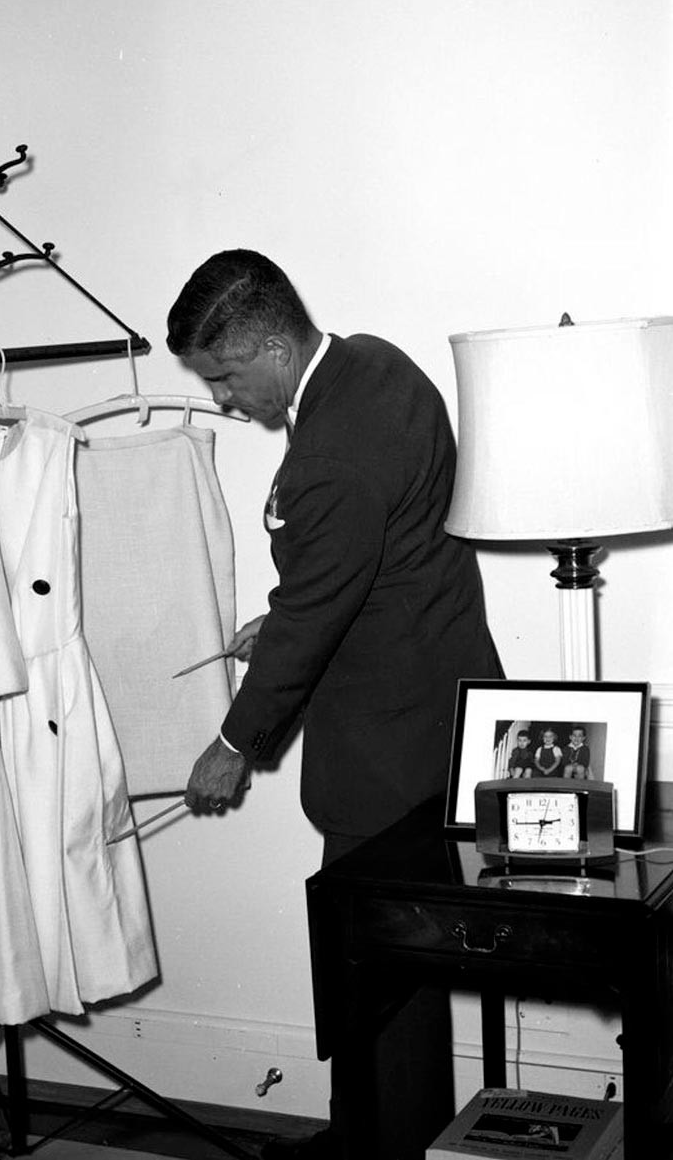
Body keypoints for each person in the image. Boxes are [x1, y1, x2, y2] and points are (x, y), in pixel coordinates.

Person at [166, 249, 502, 1160]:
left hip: (388, 751)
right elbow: (360, 563)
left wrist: (235, 740)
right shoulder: (376, 366)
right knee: (390, 974)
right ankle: (377, 1136)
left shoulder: (329, 455)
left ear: (273, 343)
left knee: (378, 981)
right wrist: (278, 615)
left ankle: (385, 1148)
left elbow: (322, 602)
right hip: (442, 711)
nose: (228, 401)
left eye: (228, 376)